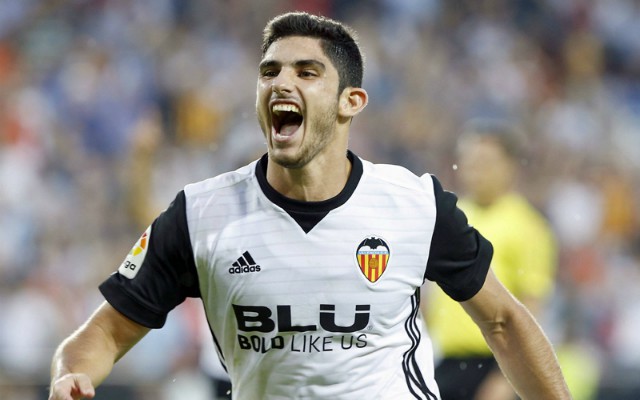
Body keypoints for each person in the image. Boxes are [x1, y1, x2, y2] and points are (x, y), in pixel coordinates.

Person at [48, 12, 571, 400]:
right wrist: (70, 375)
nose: (282, 82)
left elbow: (503, 321)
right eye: (270, 71)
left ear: (352, 102)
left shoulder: (415, 204)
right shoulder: (200, 213)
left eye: (306, 71)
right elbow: (105, 332)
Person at [424, 119, 559, 400]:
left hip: (494, 360)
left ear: (510, 166)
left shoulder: (528, 226)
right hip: (444, 359)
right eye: (468, 161)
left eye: (485, 162)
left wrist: (504, 379)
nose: (475, 171)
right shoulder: (452, 215)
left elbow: (532, 304)